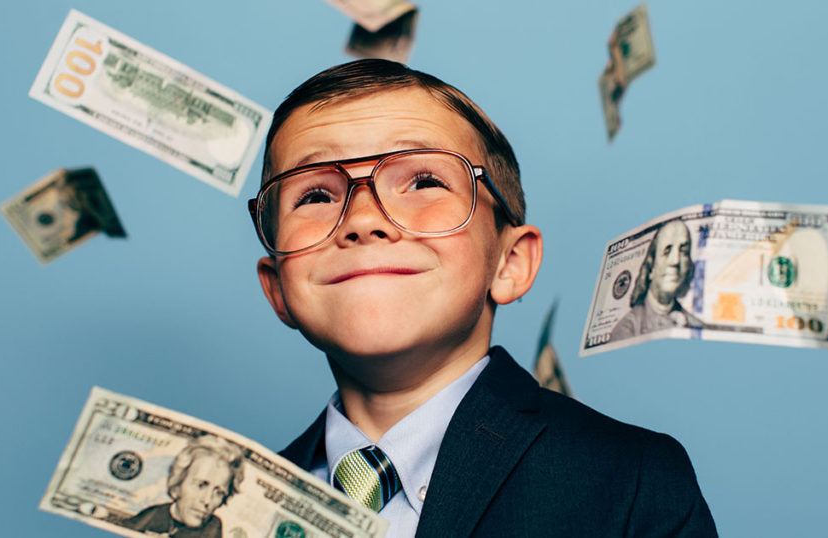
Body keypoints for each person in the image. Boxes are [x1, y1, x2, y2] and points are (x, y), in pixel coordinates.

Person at [248, 59, 716, 537]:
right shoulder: (224, 501)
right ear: (278, 287)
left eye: (424, 182)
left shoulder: (631, 482)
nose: (363, 219)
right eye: (315, 196)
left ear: (510, 263)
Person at [123, 435, 244, 538]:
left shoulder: (212, 527)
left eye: (219, 493)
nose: (207, 500)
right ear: (177, 485)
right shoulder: (153, 515)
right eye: (201, 485)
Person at [610, 219, 704, 341]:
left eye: (683, 251)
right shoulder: (626, 331)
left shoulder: (697, 326)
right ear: (651, 268)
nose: (675, 260)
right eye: (667, 251)